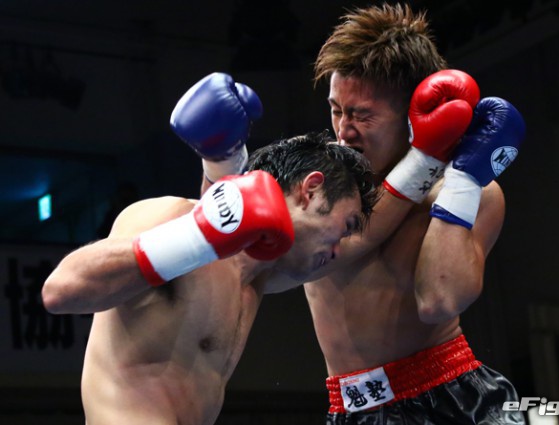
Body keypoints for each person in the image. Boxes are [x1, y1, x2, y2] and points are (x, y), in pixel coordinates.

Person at [41, 74, 379, 425]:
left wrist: (418, 161)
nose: (338, 249)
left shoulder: (257, 277)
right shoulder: (173, 216)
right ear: (310, 191)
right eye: (346, 226)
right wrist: (195, 234)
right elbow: (60, 289)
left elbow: (371, 240)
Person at [300, 3, 527, 424]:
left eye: (362, 115)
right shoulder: (319, 181)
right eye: (336, 109)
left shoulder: (469, 190)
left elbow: (439, 300)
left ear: (413, 115)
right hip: (351, 408)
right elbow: (321, 255)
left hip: (452, 398)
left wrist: (461, 182)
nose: (344, 131)